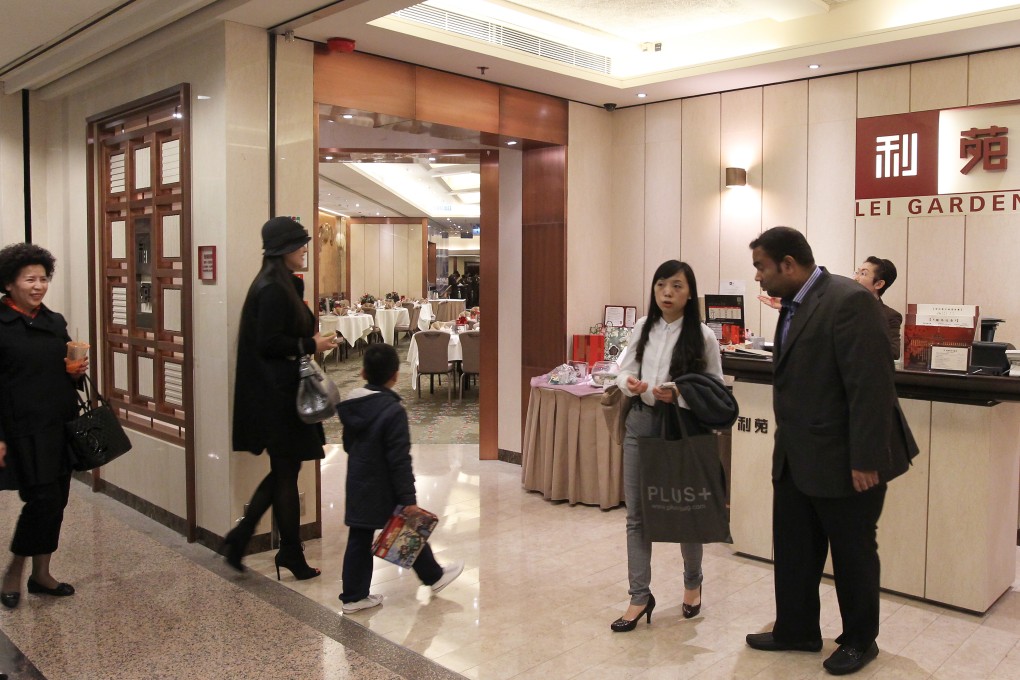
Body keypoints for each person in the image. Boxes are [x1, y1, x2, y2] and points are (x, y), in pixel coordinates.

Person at [745, 227, 917, 675]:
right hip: (798, 453)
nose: (758, 277)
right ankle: (796, 629)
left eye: (762, 267)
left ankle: (861, 640)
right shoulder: (794, 304)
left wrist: (867, 458)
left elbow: (872, 386)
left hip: (847, 457)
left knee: (853, 552)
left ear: (788, 264)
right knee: (795, 547)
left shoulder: (848, 300)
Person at [610, 260, 724, 632]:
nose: (667, 293)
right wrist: (633, 385)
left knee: (684, 512)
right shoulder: (643, 327)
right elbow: (623, 370)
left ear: (690, 293)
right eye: (661, 285)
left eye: (676, 286)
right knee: (637, 516)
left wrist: (679, 394)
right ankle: (639, 597)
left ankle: (693, 583)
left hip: (681, 429)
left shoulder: (703, 336)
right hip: (641, 424)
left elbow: (715, 388)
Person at [225, 217, 338, 579]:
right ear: (286, 250)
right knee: (286, 472)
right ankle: (285, 551)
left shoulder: (279, 283)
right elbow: (269, 343)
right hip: (277, 396)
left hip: (279, 392)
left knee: (285, 471)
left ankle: (246, 540)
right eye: (302, 244)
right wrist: (311, 344)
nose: (307, 249)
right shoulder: (272, 288)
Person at [336, 343, 463, 613]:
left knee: (359, 537)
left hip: (358, 482)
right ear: (395, 375)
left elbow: (348, 445)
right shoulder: (392, 411)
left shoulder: (351, 405)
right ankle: (434, 577)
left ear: (362, 372)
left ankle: (353, 596)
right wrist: (408, 498)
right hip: (384, 485)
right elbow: (399, 459)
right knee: (407, 526)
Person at [0, 243, 88, 609]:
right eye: (29, 279)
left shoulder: (55, 322)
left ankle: (42, 573)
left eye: (43, 278)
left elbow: (65, 372)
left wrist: (76, 372)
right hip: (21, 427)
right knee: (42, 499)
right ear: (10, 282)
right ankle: (15, 569)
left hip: (59, 424)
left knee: (57, 500)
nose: (38, 285)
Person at [853, 257, 902, 360]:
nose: (855, 278)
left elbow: (893, 352)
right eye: (857, 272)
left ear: (879, 284)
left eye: (863, 274)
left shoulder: (890, 316)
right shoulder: (842, 307)